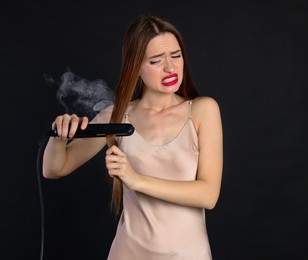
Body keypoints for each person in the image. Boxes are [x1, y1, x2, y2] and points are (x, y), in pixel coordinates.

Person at [42, 14, 223, 259]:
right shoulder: (117, 117)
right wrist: (59, 136)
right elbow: (55, 169)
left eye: (176, 56)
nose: (170, 67)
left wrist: (136, 180)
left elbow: (208, 195)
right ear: (135, 66)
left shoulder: (202, 110)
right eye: (156, 60)